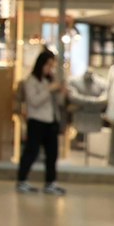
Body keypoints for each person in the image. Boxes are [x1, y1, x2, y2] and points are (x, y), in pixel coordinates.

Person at [15, 49, 68, 195]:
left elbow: (58, 103)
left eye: (52, 66)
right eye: (48, 65)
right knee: (31, 152)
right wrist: (49, 90)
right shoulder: (31, 81)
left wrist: (61, 92)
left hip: (51, 121)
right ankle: (22, 180)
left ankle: (51, 182)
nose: (49, 69)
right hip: (36, 121)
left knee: (52, 154)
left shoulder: (49, 81)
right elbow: (34, 101)